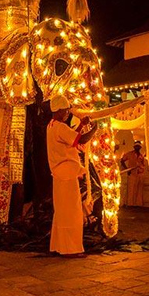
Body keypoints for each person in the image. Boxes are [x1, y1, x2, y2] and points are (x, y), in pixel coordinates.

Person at [47, 94, 97, 257]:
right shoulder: (60, 127)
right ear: (60, 110)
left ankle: (59, 246)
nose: (68, 113)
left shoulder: (52, 126)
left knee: (61, 212)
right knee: (72, 212)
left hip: (59, 175)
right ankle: (71, 249)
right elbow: (80, 140)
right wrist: (94, 129)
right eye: (67, 111)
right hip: (67, 176)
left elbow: (71, 137)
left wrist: (81, 125)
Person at [121, 141, 146, 207]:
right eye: (136, 146)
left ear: (140, 147)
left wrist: (141, 170)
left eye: (138, 147)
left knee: (138, 189)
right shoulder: (129, 154)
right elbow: (122, 160)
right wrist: (127, 169)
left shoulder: (141, 156)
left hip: (139, 174)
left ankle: (137, 204)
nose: (137, 148)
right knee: (131, 189)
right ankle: (130, 204)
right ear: (134, 147)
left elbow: (143, 164)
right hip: (131, 173)